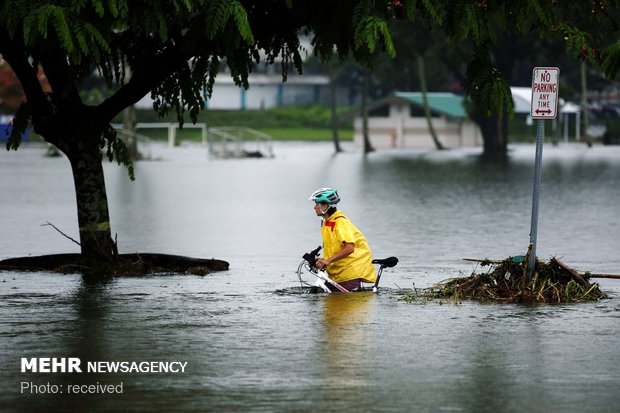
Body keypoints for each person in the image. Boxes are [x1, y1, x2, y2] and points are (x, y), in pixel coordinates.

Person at [309, 187, 376, 292]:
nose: (314, 207)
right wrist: (322, 259)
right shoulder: (328, 222)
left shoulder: (340, 222)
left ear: (325, 206)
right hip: (337, 274)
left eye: (317, 204)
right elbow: (336, 248)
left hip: (349, 273)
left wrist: (328, 261)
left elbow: (349, 248)